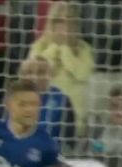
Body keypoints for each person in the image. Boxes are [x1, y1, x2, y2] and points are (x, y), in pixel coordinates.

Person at [28, 1, 94, 136]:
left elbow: (83, 74)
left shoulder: (84, 48)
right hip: (43, 111)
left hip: (74, 115)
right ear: (52, 24)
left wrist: (64, 50)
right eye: (60, 21)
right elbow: (36, 74)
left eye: (70, 21)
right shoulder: (39, 46)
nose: (65, 26)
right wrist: (54, 49)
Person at [17, 56, 76, 148]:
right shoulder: (9, 101)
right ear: (21, 76)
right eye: (29, 72)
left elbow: (69, 141)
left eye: (41, 72)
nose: (35, 77)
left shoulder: (62, 101)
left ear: (50, 75)